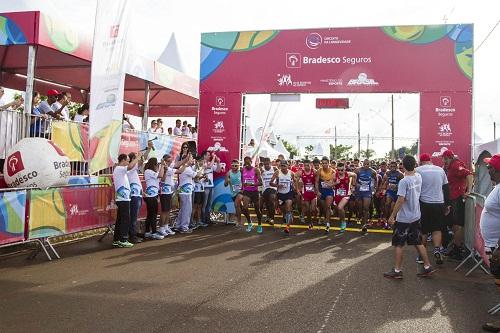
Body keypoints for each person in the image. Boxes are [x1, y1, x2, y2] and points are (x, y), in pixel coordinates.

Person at [384, 155, 435, 279]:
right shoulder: (418, 177)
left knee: (398, 244)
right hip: (415, 216)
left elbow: (401, 200)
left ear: (404, 166)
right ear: (415, 165)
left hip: (404, 218)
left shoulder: (404, 181)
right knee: (418, 242)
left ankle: (397, 270)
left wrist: (392, 216)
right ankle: (428, 267)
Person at [416, 153, 450, 265]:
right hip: (439, 203)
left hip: (424, 203)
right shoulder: (440, 170)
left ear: (421, 162)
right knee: (437, 229)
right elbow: (446, 188)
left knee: (424, 230)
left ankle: (422, 255)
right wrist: (447, 205)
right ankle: (437, 249)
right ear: (430, 160)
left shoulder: (418, 170)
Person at [442, 149, 473, 260]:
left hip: (457, 198)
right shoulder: (451, 166)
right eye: (443, 159)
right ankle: (456, 247)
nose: (444, 161)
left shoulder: (455, 165)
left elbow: (469, 174)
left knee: (458, 225)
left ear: (450, 158)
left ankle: (458, 249)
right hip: (453, 198)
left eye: (445, 159)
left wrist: (468, 190)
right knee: (454, 224)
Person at [112, 152, 141, 248]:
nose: (129, 163)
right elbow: (130, 167)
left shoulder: (120, 170)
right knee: (125, 219)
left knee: (120, 220)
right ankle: (123, 239)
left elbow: (131, 167)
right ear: (123, 160)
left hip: (123, 198)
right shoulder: (120, 169)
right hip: (123, 199)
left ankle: (116, 239)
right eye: (128, 161)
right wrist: (138, 158)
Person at [271, 160, 296, 234]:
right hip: (280, 194)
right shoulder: (277, 172)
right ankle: (287, 216)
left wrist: (295, 188)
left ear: (287, 166)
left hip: (289, 193)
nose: (283, 167)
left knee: (288, 208)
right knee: (283, 210)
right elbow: (271, 183)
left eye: (284, 166)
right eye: (281, 166)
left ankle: (287, 227)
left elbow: (295, 182)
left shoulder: (291, 173)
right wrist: (277, 185)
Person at [143, 157, 166, 240]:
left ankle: (147, 232)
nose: (158, 166)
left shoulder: (152, 172)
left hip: (153, 195)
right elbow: (160, 175)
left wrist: (163, 168)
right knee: (153, 215)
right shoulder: (148, 171)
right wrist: (162, 165)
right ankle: (153, 232)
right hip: (150, 196)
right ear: (154, 164)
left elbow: (162, 178)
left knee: (150, 214)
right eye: (157, 164)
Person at [241, 156, 264, 233]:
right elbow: (242, 181)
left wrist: (253, 184)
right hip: (246, 191)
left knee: (257, 210)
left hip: (254, 191)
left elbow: (261, 182)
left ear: (251, 162)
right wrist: (243, 185)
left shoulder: (256, 170)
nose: (247, 164)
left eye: (248, 162)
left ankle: (260, 224)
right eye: (246, 163)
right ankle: (250, 222)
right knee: (244, 208)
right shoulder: (242, 170)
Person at [354, 159, 377, 234]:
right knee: (360, 208)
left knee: (366, 208)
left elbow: (375, 180)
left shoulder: (373, 172)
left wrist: (374, 188)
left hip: (367, 191)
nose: (366, 166)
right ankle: (359, 216)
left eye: (368, 164)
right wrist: (355, 184)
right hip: (359, 191)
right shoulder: (357, 170)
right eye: (365, 164)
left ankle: (364, 225)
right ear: (362, 164)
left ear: (370, 164)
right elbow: (353, 178)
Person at [175, 152, 196, 233]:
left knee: (183, 209)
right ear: (187, 159)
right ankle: (184, 227)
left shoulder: (186, 167)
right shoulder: (186, 168)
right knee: (187, 209)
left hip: (185, 191)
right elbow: (196, 175)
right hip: (186, 191)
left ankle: (179, 225)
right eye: (191, 158)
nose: (192, 159)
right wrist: (202, 168)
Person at [316, 156, 337, 233]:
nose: (324, 165)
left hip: (329, 191)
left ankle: (327, 224)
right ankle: (327, 217)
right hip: (321, 191)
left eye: (326, 163)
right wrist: (317, 191)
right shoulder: (319, 171)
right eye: (323, 163)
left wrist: (332, 183)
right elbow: (316, 182)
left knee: (327, 206)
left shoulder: (333, 171)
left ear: (329, 163)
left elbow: (336, 182)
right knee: (324, 207)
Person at [334, 162, 357, 233]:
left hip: (346, 195)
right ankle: (342, 221)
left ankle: (343, 222)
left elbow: (355, 175)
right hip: (337, 195)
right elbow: (329, 184)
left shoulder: (348, 174)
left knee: (340, 207)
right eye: (339, 170)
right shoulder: (334, 175)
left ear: (344, 169)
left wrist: (353, 185)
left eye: (342, 170)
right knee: (339, 210)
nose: (340, 172)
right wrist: (335, 183)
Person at [201, 151, 222, 226]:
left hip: (211, 187)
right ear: (204, 156)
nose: (209, 156)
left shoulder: (211, 163)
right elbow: (209, 166)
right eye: (208, 155)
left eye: (210, 155)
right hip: (204, 187)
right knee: (204, 204)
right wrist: (214, 157)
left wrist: (218, 162)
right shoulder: (202, 163)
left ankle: (207, 219)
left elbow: (218, 170)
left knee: (209, 204)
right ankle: (202, 220)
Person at [382, 161, 404, 229]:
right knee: (387, 204)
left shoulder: (400, 174)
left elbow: (403, 185)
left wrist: (397, 186)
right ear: (389, 167)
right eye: (391, 166)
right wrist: (384, 189)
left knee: (392, 208)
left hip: (397, 193)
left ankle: (392, 221)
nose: (392, 168)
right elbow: (386, 181)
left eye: (394, 166)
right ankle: (386, 218)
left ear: (396, 167)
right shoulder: (388, 173)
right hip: (390, 192)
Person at [296, 159, 317, 230]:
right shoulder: (300, 172)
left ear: (311, 165)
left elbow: (318, 180)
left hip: (313, 193)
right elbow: (295, 179)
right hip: (305, 193)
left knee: (313, 209)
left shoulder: (314, 171)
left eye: (308, 165)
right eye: (305, 165)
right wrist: (297, 189)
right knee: (307, 209)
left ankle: (311, 218)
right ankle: (310, 222)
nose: (306, 167)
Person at [159, 154, 176, 236]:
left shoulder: (169, 168)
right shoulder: (163, 168)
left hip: (169, 191)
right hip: (164, 192)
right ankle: (161, 228)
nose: (170, 163)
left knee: (168, 210)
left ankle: (166, 226)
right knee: (164, 210)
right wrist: (165, 170)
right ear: (164, 161)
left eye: (170, 161)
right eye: (168, 161)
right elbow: (162, 179)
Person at [224, 159, 244, 227]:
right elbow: (225, 185)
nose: (234, 167)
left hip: (240, 192)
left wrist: (243, 188)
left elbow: (245, 180)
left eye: (236, 165)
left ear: (238, 166)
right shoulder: (228, 173)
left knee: (236, 205)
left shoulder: (241, 172)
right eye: (233, 165)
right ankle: (243, 218)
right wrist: (227, 180)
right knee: (239, 207)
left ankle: (238, 221)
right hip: (233, 193)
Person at [261, 157, 277, 225]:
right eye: (265, 164)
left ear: (270, 163)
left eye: (268, 164)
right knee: (267, 204)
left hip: (273, 188)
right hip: (265, 189)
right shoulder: (261, 170)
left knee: (272, 199)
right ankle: (269, 216)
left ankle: (272, 218)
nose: (266, 166)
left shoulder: (274, 169)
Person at [192, 157, 206, 229]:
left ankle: (198, 221)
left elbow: (202, 179)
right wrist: (200, 178)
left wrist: (205, 178)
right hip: (196, 190)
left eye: (203, 161)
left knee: (200, 206)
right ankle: (192, 221)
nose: (203, 162)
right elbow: (194, 179)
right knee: (195, 206)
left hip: (202, 189)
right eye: (201, 161)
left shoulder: (202, 168)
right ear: (198, 161)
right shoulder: (194, 167)